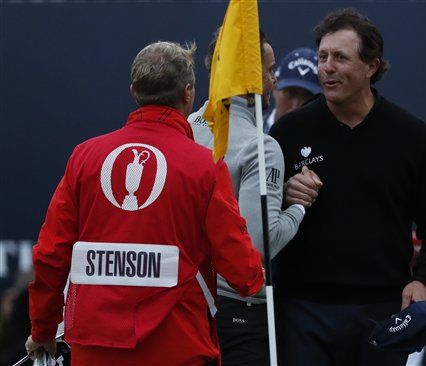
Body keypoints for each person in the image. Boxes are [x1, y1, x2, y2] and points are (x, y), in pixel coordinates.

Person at [24, 41, 265, 366]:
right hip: (179, 347)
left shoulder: (85, 157)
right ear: (188, 94)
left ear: (134, 90)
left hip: (95, 350)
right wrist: (256, 275)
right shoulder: (206, 166)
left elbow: (51, 255)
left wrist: (42, 329)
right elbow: (243, 274)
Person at [269, 8, 426, 366]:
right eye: (322, 57)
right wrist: (281, 196)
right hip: (301, 310)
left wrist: (423, 281)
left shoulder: (411, 137)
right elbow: (252, 217)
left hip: (382, 312)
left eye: (340, 58)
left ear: (371, 66)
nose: (327, 67)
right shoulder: (287, 133)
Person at [188, 29, 320, 366]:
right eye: (269, 69)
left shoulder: (186, 128)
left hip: (184, 305)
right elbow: (259, 248)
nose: (274, 80)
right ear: (248, 76)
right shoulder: (261, 147)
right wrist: (298, 208)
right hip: (238, 315)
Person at [263, 47, 322, 133]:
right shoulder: (251, 133)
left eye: (307, 97)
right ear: (274, 88)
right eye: (291, 93)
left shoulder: (329, 141)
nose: (296, 105)